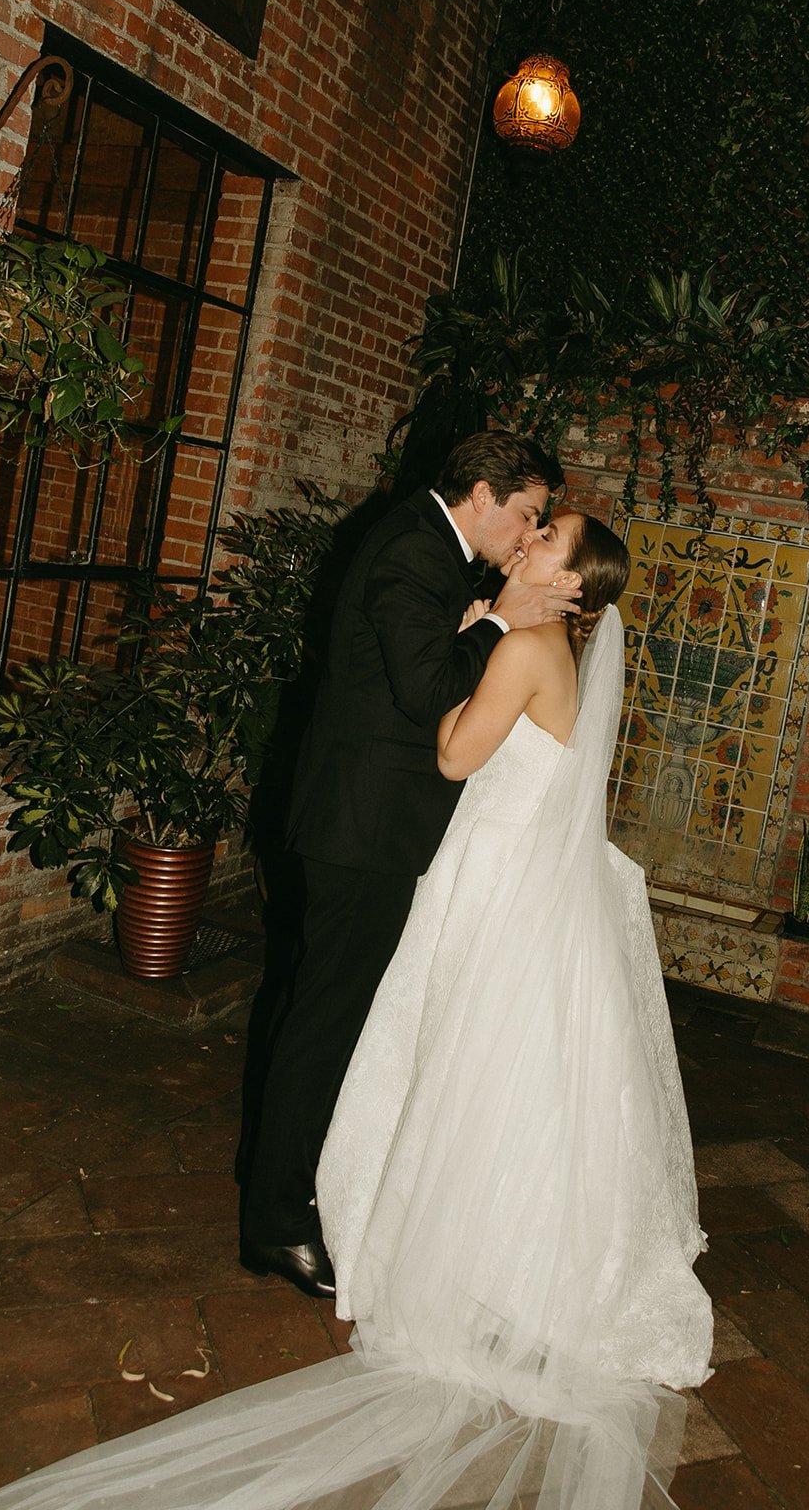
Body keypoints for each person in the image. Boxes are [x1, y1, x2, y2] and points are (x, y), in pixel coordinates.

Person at [0, 510, 711, 1510]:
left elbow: (453, 756)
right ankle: (517, 1255)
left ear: (572, 585)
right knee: (511, 1071)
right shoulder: (558, 649)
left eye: (548, 542)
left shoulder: (525, 644)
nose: (528, 540)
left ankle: (471, 1255)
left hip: (491, 877)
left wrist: (476, 644)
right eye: (533, 528)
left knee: (465, 1060)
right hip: (520, 877)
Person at [239, 431, 580, 1299]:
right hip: (364, 826)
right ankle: (276, 1224)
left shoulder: (428, 546)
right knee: (324, 1020)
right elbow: (426, 690)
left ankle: (282, 1186)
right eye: (527, 514)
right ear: (482, 493)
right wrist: (502, 619)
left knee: (316, 1007)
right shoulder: (414, 551)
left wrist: (493, 616)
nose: (527, 533)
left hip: (368, 823)